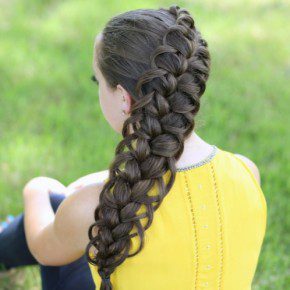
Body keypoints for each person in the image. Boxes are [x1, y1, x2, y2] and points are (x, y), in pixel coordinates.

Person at [0, 5, 267, 290]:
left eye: (97, 81)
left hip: (76, 218)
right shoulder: (245, 171)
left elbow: (45, 249)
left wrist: (36, 189)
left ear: (124, 99)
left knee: (55, 205)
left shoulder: (96, 207)